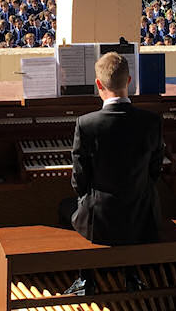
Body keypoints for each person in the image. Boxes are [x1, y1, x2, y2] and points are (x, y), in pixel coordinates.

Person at [69, 52, 164, 246]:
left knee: (65, 208)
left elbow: (79, 179)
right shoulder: (152, 121)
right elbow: (154, 171)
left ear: (98, 84)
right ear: (129, 81)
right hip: (142, 218)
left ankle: (87, 272)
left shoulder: (86, 124)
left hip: (102, 221)